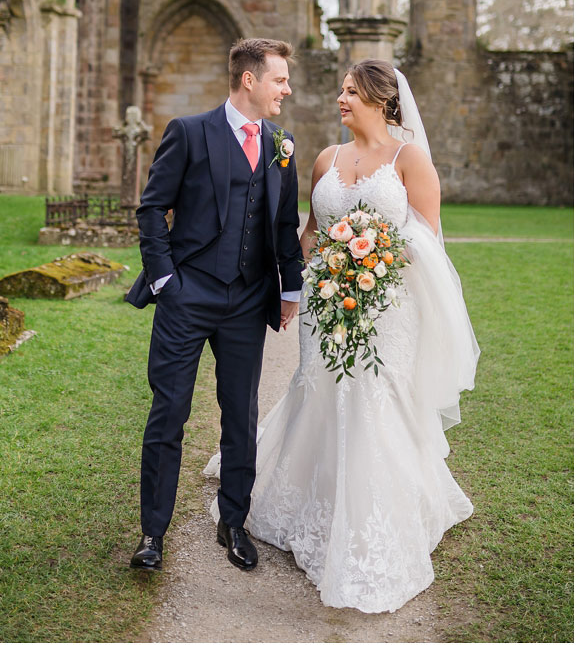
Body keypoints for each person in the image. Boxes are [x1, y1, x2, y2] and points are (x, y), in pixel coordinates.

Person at [213, 59, 479, 612]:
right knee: (320, 391)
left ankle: (369, 521)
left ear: (382, 101)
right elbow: (310, 232)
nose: (341, 98)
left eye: (352, 91)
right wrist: (291, 287)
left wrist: (372, 261)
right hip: (325, 303)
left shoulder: (412, 162)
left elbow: (429, 242)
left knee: (371, 406)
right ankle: (312, 503)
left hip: (385, 308)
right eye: (341, 89)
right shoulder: (326, 160)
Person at [125, 38, 306, 573]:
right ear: (248, 79)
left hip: (249, 300)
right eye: (279, 79)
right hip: (187, 296)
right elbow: (152, 209)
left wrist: (289, 290)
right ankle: (152, 534)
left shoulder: (281, 143)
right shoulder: (189, 132)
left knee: (240, 414)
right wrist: (165, 282)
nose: (287, 89)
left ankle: (234, 520)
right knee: (169, 413)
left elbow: (281, 225)